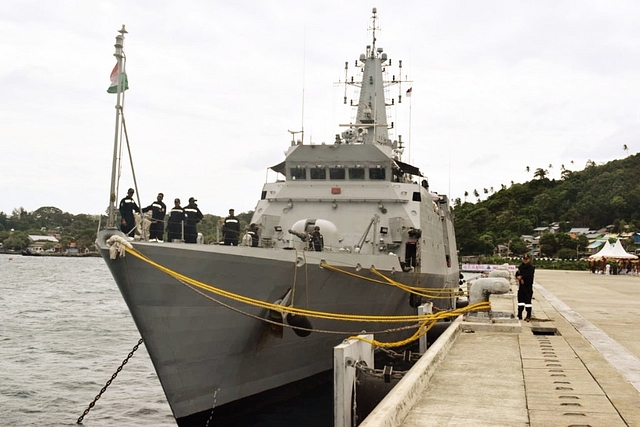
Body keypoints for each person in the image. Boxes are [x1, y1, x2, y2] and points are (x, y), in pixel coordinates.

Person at [515, 253, 535, 321]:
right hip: (521, 287)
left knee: (528, 302)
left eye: (527, 259)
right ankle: (519, 314)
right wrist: (518, 277)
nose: (525, 260)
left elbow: (529, 275)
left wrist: (522, 277)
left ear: (529, 259)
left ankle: (528, 315)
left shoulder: (531, 268)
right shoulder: (521, 267)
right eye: (524, 259)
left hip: (528, 287)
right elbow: (517, 273)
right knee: (520, 302)